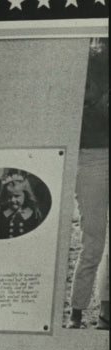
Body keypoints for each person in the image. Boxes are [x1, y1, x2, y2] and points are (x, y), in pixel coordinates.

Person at [68, 37, 109, 330]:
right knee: (93, 241)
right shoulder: (83, 61)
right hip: (89, 156)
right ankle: (77, 311)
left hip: (97, 154)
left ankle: (104, 311)